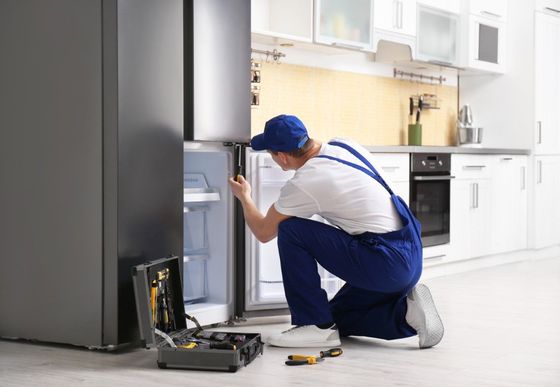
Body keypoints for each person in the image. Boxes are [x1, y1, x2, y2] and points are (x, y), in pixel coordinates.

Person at [228, 114, 444, 349]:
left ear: (282, 156)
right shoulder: (343, 145)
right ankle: (408, 315)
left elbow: (263, 231)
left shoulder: (306, 181)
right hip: (409, 253)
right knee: (334, 318)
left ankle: (313, 325)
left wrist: (245, 197)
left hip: (385, 262)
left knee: (291, 230)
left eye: (271, 153)